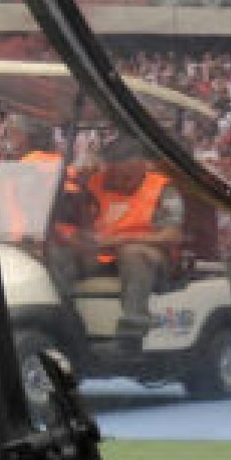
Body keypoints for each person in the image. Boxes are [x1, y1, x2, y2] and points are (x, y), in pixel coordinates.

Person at [62, 138, 185, 337]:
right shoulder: (95, 182)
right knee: (58, 251)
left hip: (151, 258)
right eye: (113, 173)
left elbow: (173, 235)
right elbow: (78, 223)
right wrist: (79, 240)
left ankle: (134, 325)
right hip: (101, 254)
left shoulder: (162, 188)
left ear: (141, 167)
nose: (117, 180)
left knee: (133, 252)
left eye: (125, 175)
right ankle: (60, 316)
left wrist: (123, 239)